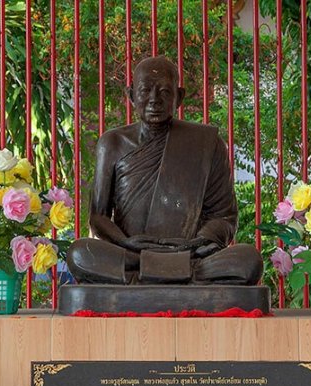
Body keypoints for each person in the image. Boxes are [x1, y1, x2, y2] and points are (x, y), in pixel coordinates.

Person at [66, 56, 263, 285]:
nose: (154, 100)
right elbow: (98, 217)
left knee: (249, 260)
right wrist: (127, 243)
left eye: (164, 92)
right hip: (132, 254)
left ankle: (152, 276)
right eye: (145, 90)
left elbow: (224, 216)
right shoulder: (112, 144)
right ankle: (177, 275)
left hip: (189, 254)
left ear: (179, 96)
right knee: (79, 254)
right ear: (131, 95)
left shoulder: (207, 144)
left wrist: (196, 243)